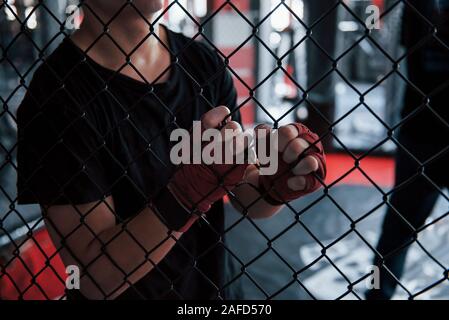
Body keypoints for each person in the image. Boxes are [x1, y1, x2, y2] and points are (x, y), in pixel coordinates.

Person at [16, 0, 326, 300]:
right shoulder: (58, 97)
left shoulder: (203, 63)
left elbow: (247, 197)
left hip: (216, 288)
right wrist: (190, 192)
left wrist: (277, 182)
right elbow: (95, 280)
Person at [366, 0, 449, 300]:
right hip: (421, 130)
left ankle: (377, 293)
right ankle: (377, 292)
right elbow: (399, 46)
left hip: (420, 128)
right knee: (396, 232)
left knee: (395, 233)